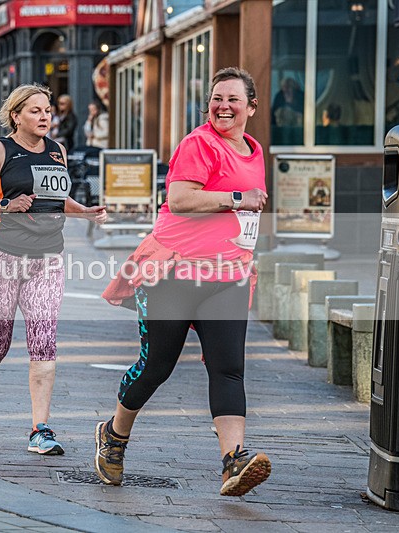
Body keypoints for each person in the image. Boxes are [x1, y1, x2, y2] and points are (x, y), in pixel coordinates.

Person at [94, 67, 271, 496]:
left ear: (251, 106)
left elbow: (246, 216)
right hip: (173, 273)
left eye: (233, 99)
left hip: (227, 277)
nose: (223, 106)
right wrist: (236, 199)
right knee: (157, 366)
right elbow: (180, 198)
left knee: (228, 368)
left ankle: (233, 462)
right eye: (216, 98)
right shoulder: (198, 143)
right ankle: (114, 436)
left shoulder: (253, 150)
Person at [0, 83, 107, 455]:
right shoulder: (0, 150)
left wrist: (83, 211)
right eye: (35, 110)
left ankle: (40, 429)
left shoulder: (58, 152)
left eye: (47, 110)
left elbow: (55, 198)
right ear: (16, 115)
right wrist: (6, 203)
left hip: (47, 258)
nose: (44, 116)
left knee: (43, 340)